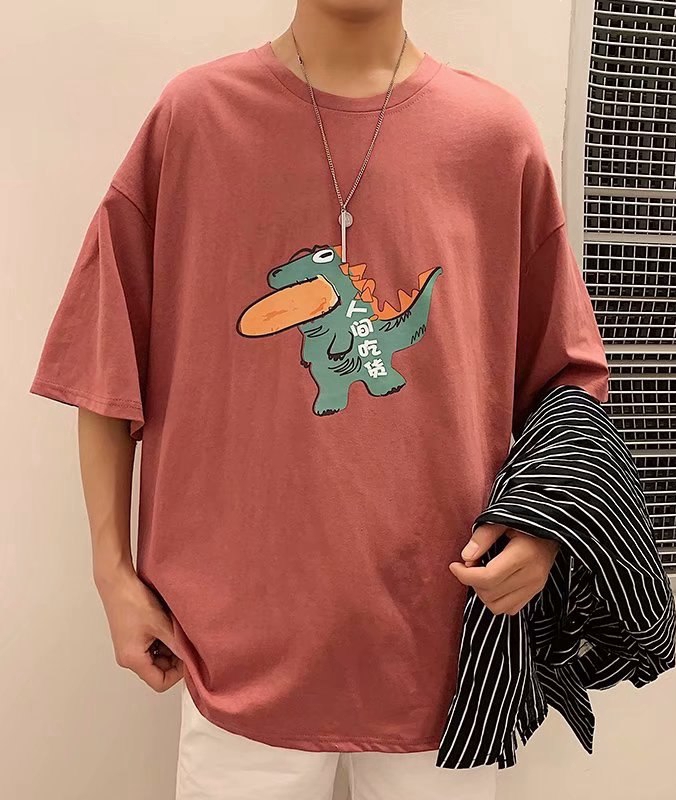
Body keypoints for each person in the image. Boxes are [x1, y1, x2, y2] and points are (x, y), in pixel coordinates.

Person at [30, 1, 609, 798]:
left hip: (445, 653)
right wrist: (111, 572)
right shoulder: (194, 119)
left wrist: (543, 533)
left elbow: (567, 384)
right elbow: (105, 356)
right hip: (235, 657)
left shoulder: (494, 136)